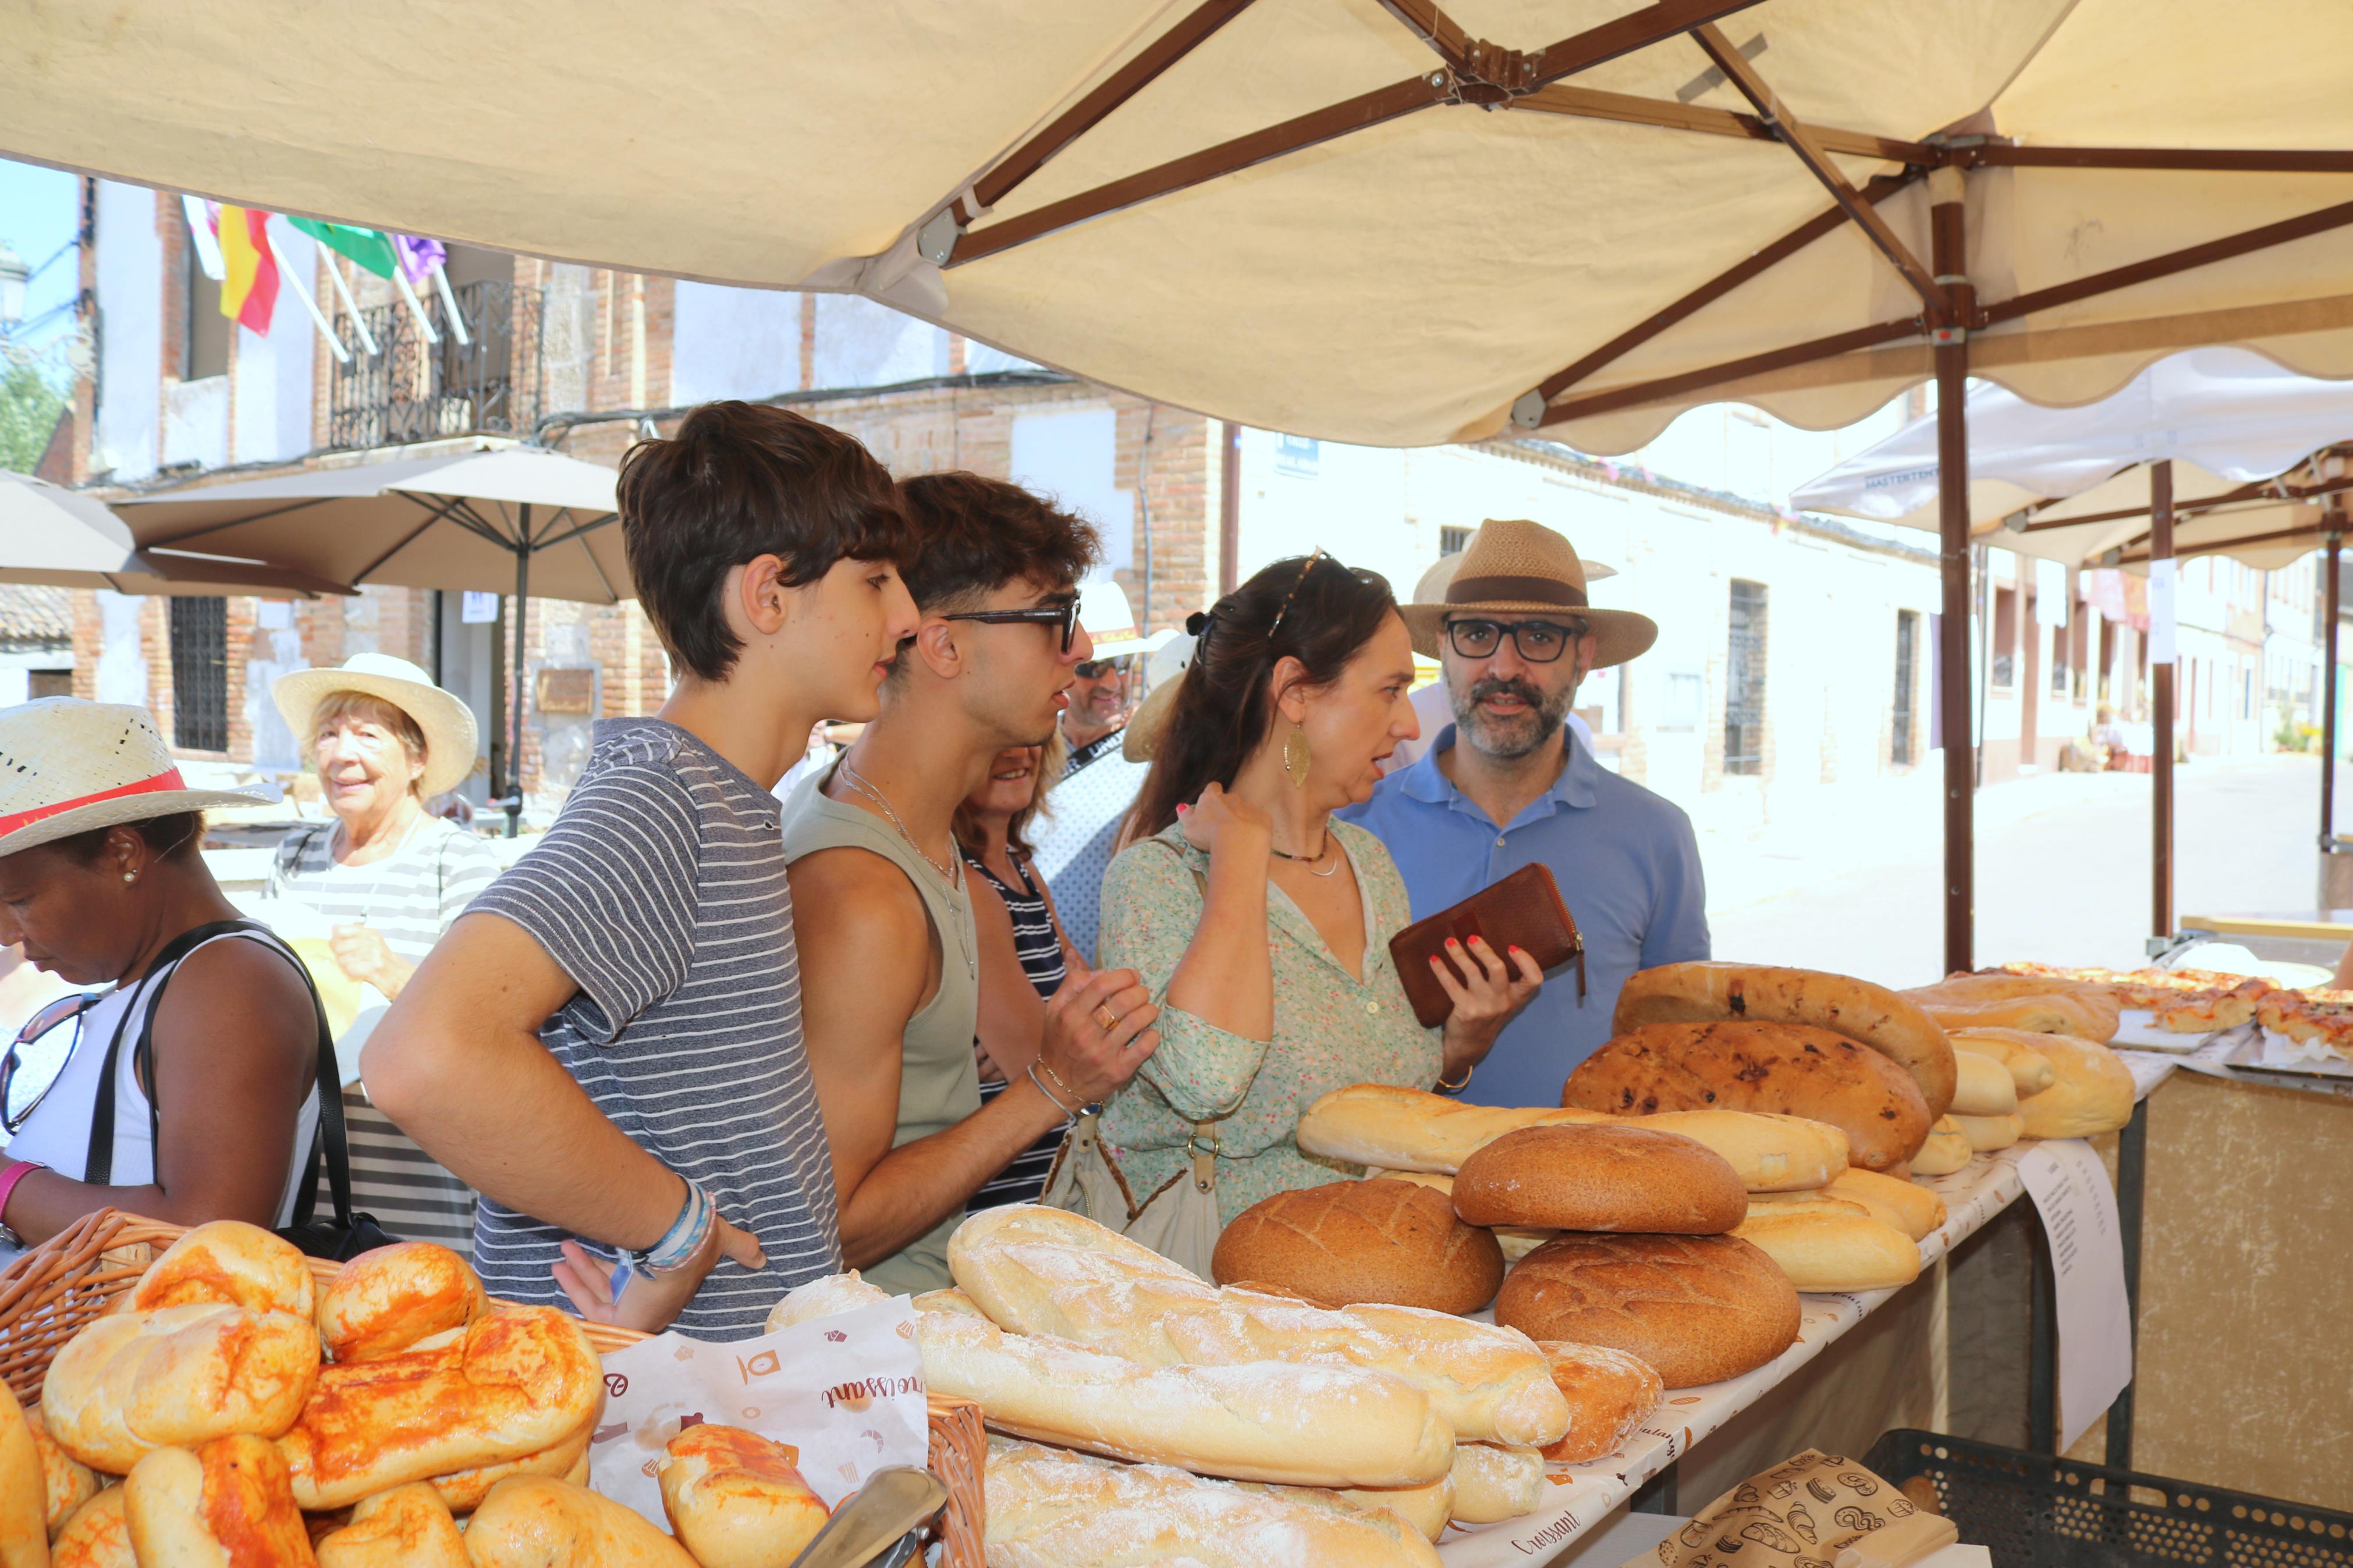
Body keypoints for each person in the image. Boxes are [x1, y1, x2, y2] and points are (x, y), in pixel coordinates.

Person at [364, 401, 921, 1337]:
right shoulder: (663, 800)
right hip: (648, 1425)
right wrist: (674, 1228)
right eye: (874, 580)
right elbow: (424, 1055)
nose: (904, 615)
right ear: (767, 596)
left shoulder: (721, 803)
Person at [782, 472, 1162, 1295]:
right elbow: (826, 1221)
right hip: (871, 1365)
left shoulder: (919, 832)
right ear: (944, 645)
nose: (1084, 647)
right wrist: (1051, 1086)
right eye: (1054, 619)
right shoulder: (864, 893)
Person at [1099, 553, 1542, 1222]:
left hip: (1362, 1281)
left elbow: (1373, 1111)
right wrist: (1240, 862)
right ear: (1296, 691)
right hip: (1216, 1300)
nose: (1409, 724)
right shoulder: (1155, 879)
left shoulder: (1369, 863)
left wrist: (1457, 1049)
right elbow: (1207, 1080)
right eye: (1389, 689)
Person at [1341, 518, 1708, 1108]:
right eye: (1477, 634)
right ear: (1442, 646)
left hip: (1593, 1184)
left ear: (1583, 654)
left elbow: (1685, 1044)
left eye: (1538, 637)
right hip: (1400, 1185)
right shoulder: (1358, 828)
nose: (1504, 668)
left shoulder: (1656, 835)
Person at [0, 699, 322, 1250]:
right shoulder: (161, 982)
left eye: (20, 899)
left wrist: (7, 1185)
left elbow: (213, 1232)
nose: (6, 932)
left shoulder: (229, 981)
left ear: (123, 853)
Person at [266, 653, 502, 1253]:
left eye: (367, 735)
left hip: (416, 1176)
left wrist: (394, 973)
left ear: (416, 757)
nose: (342, 754)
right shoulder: (295, 855)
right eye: (328, 734)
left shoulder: (458, 860)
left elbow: (491, 1015)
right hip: (298, 1177)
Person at [954, 734, 1085, 1208]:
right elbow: (1053, 1066)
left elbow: (1082, 1011)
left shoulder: (1019, 866)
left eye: (1029, 739)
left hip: (1052, 1184)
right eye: (996, 739)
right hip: (1009, 1199)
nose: (1017, 753)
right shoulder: (964, 882)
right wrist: (1072, 1020)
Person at [1061, 581, 1151, 776]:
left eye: (1123, 662)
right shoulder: (1026, 751)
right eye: (1094, 666)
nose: (1113, 683)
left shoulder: (1153, 761)